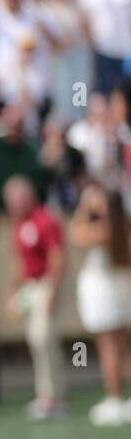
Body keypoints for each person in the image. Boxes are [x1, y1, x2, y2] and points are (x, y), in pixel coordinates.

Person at [4, 175, 67, 419]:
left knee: (43, 338)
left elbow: (57, 257)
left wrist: (53, 289)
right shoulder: (19, 224)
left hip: (44, 284)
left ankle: (51, 395)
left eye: (20, 198)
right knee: (36, 340)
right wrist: (13, 290)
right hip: (29, 287)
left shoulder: (45, 220)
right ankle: (48, 394)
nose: (17, 203)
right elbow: (19, 262)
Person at [69, 182, 131, 425]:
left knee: (109, 348)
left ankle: (114, 398)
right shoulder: (122, 225)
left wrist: (84, 208)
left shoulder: (105, 228)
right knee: (124, 347)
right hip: (119, 291)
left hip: (105, 294)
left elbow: (75, 234)